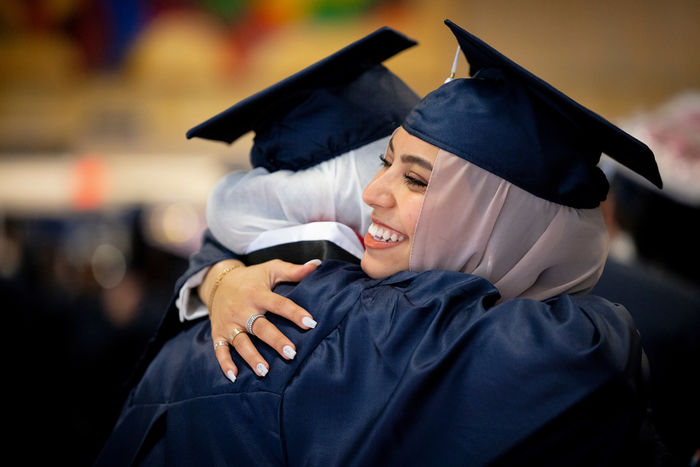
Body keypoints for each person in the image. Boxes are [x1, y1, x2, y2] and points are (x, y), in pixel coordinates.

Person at [98, 20, 662, 466]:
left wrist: (214, 273)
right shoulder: (360, 322)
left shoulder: (217, 309)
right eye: (385, 164)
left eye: (415, 178)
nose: (373, 194)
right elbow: (590, 360)